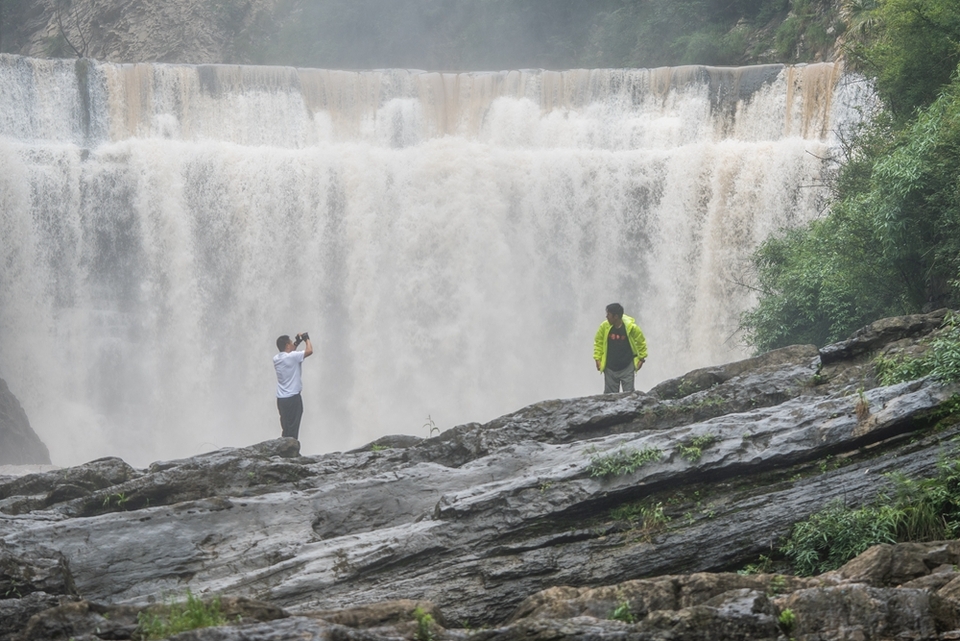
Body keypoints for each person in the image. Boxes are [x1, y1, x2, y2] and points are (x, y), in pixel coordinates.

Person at [594, 303, 648, 394]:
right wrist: (597, 359)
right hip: (610, 368)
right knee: (610, 398)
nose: (606, 317)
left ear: (616, 316)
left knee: (629, 396)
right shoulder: (604, 327)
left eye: (609, 315)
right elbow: (598, 342)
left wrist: (642, 359)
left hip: (627, 367)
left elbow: (641, 343)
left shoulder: (631, 328)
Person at [273, 332, 313, 439]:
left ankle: (283, 450)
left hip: (281, 399)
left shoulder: (276, 359)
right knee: (293, 429)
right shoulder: (293, 357)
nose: (292, 345)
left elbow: (290, 353)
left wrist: (296, 343)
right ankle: (291, 452)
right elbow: (310, 351)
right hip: (293, 398)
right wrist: (306, 339)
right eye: (290, 343)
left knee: (286, 428)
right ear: (287, 346)